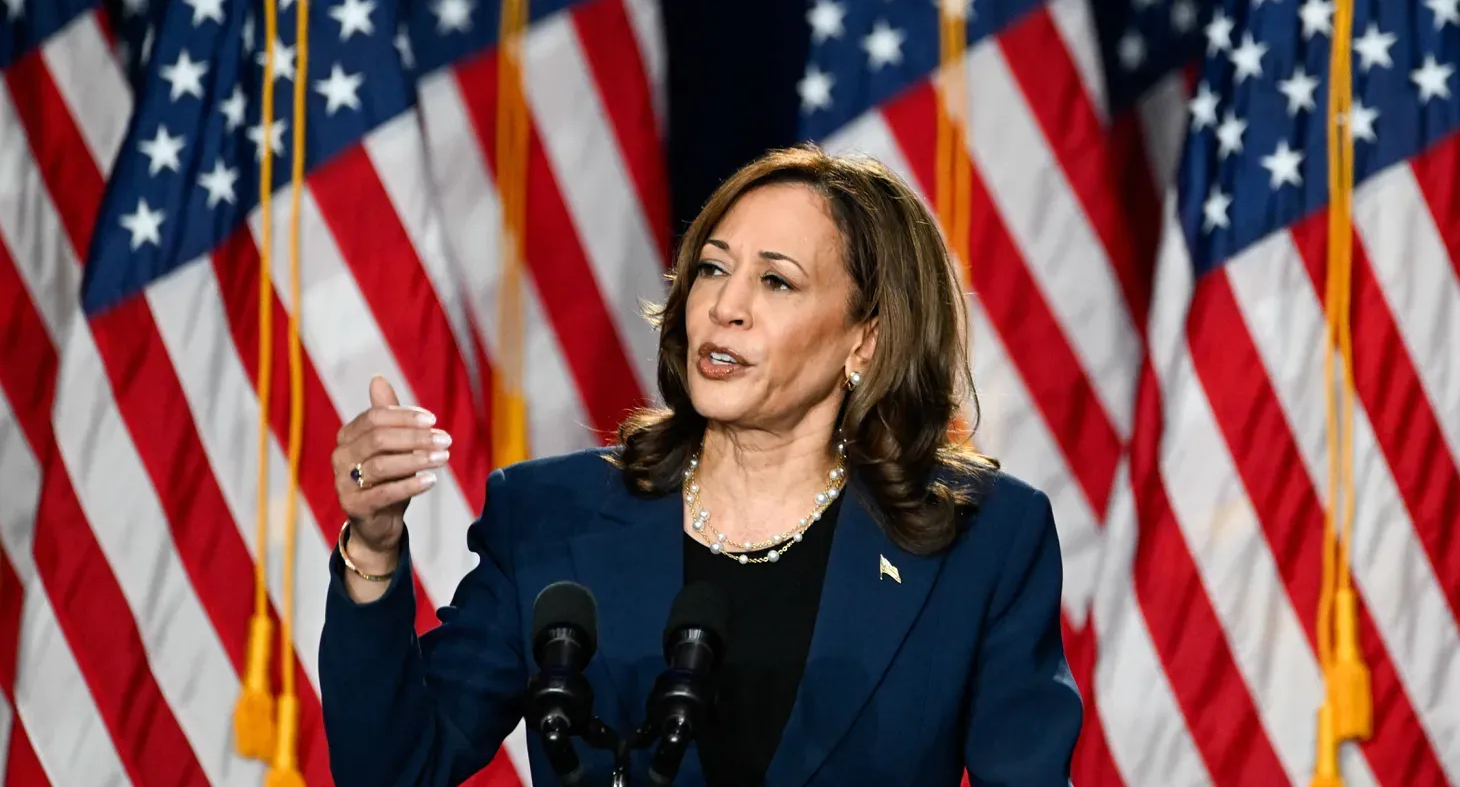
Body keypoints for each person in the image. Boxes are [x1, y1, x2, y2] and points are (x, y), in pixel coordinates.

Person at [319, 146, 1083, 786]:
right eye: (714, 269)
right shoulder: (550, 513)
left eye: (776, 281)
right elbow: (395, 770)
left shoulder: (982, 541)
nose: (726, 306)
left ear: (866, 342)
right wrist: (374, 549)